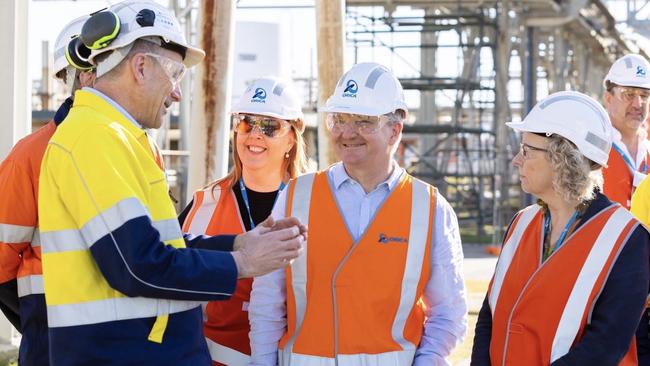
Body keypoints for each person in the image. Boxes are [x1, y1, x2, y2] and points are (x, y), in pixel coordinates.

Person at [38, 1, 305, 364]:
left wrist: (238, 243)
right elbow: (137, 266)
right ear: (141, 67)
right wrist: (242, 262)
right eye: (175, 75)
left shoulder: (115, 137)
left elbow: (163, 245)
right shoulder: (93, 138)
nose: (178, 93)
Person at [249, 62, 467, 365]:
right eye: (339, 120)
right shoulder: (296, 196)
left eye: (363, 121)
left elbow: (448, 315)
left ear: (395, 131)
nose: (347, 133)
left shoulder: (430, 208)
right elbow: (267, 301)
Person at [471, 91, 650, 365]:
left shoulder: (628, 239)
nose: (517, 160)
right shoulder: (521, 223)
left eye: (527, 150)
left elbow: (606, 345)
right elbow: (489, 317)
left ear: (562, 157)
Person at [179, 76, 308, 365]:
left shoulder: (316, 202)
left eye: (270, 126)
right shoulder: (205, 205)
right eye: (247, 123)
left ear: (291, 137)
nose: (255, 135)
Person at [0, 15, 95, 366]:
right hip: (52, 341)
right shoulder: (31, 155)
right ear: (76, 76)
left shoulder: (145, 152)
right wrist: (39, 325)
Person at [601, 54, 650, 209]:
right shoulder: (591, 151)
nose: (638, 104)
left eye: (644, 95)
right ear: (608, 98)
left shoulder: (648, 150)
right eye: (628, 94)